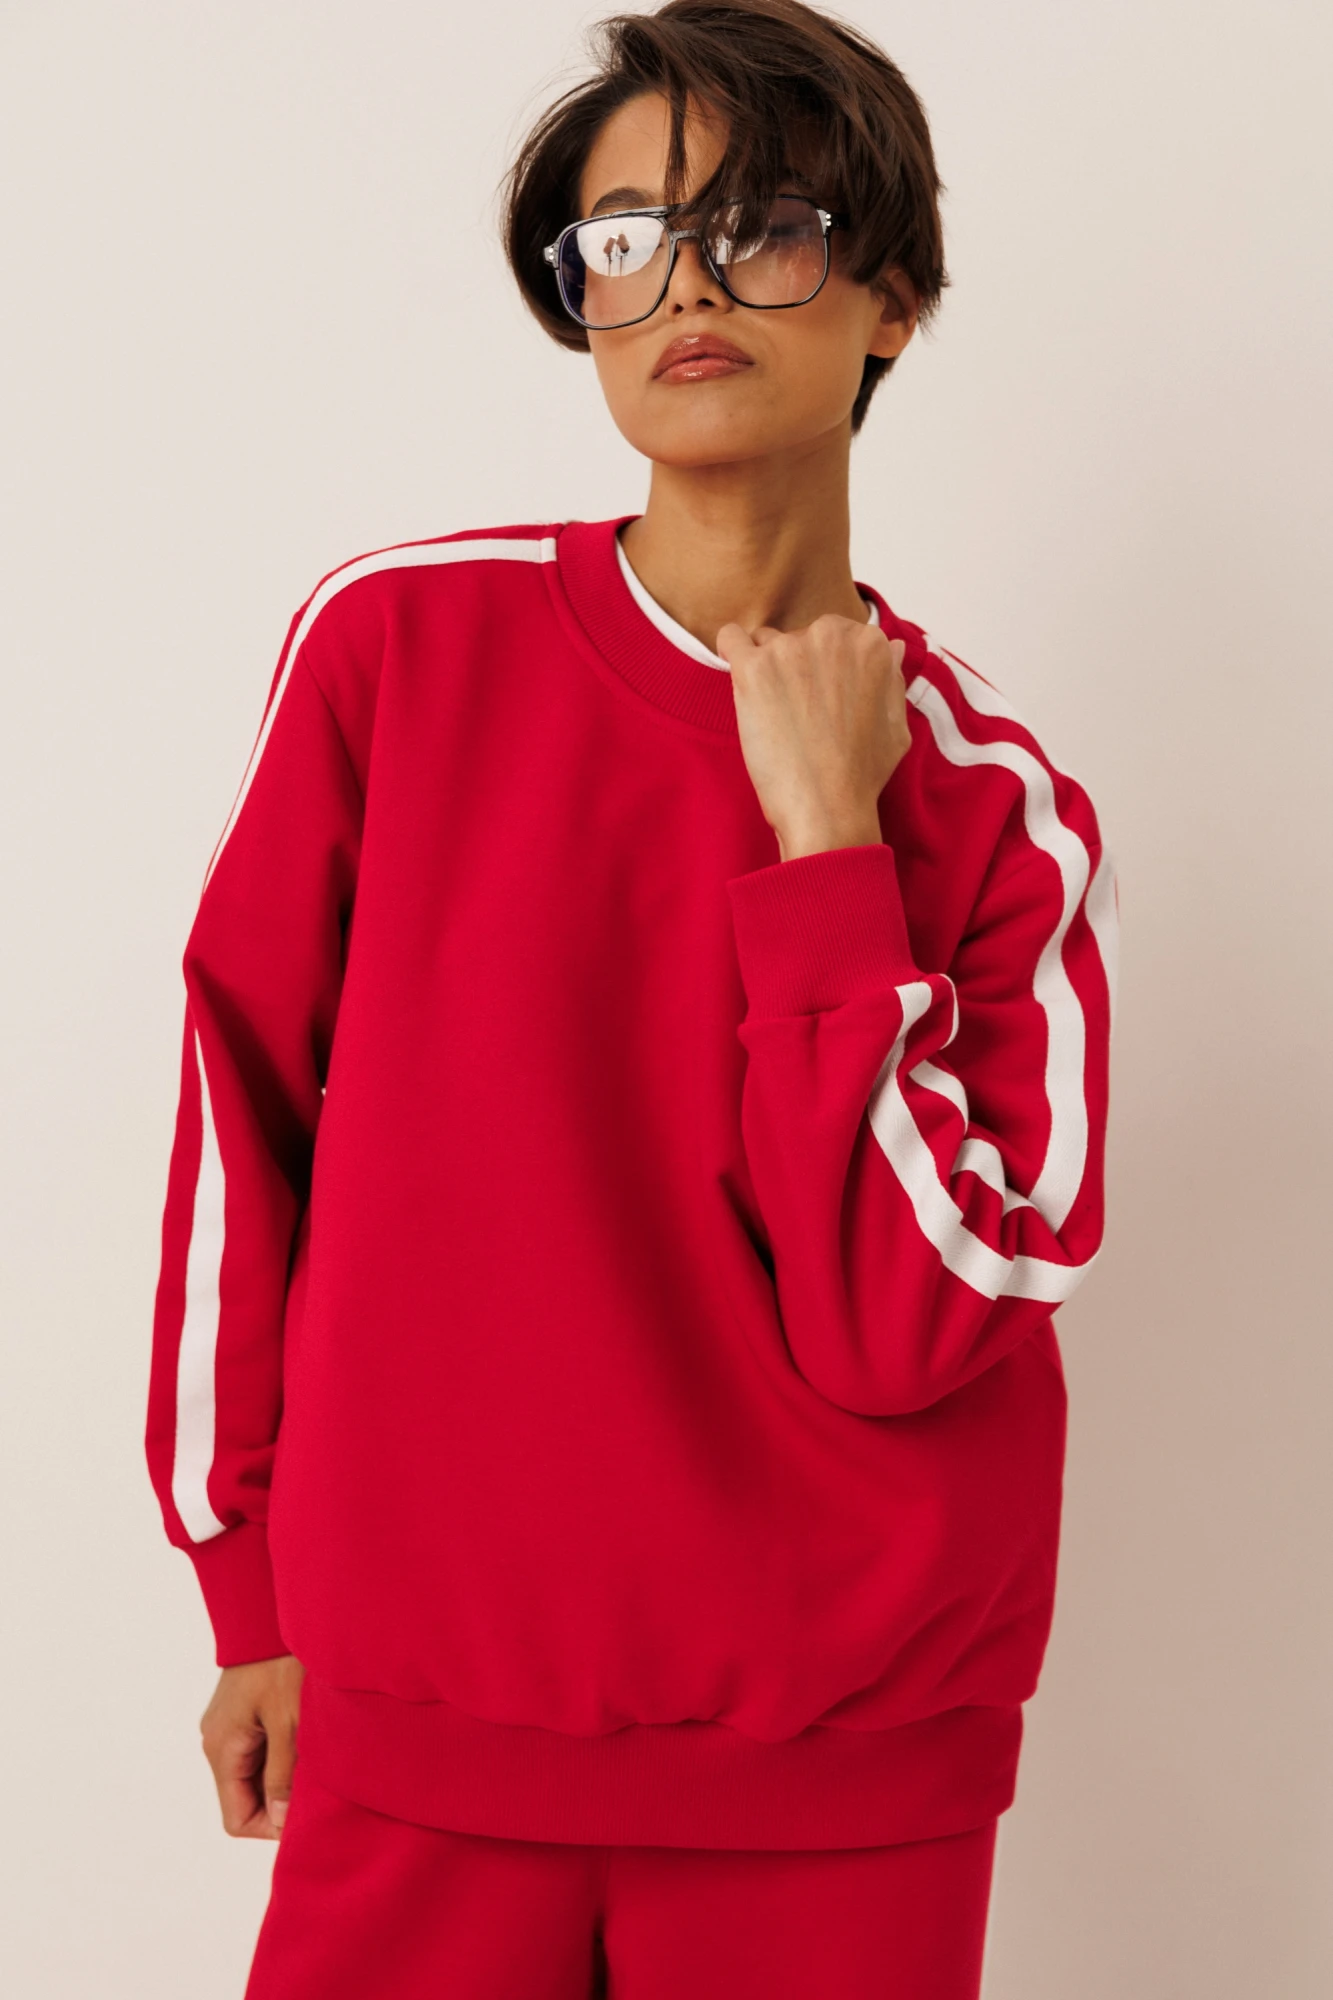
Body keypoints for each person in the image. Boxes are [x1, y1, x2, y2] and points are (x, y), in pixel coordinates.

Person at [144, 2, 1116, 1994]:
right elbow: (244, 1124)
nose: (686, 283)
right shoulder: (399, 650)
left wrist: (831, 850)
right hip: (421, 1720)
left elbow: (915, 1326)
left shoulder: (989, 806)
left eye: (763, 228)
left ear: (896, 298)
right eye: (627, 239)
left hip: (848, 1774)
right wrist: (247, 1582)